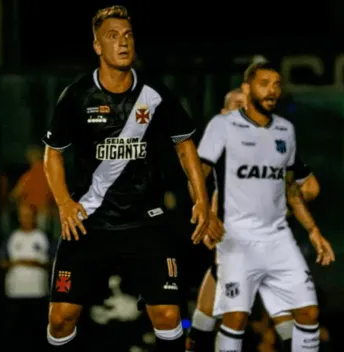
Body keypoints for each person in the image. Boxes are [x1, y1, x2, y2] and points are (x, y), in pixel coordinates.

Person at [41, 5, 223, 351]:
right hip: (90, 222)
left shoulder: (155, 94)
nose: (123, 43)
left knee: (169, 317)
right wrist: (64, 203)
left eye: (128, 35)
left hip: (146, 223)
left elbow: (185, 145)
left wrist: (201, 199)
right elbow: (53, 152)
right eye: (112, 36)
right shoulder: (77, 96)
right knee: (61, 317)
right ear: (97, 46)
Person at [195, 61, 335, 352]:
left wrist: (281, 207)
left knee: (296, 315)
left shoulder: (277, 136)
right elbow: (202, 183)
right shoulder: (218, 139)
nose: (239, 108)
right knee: (221, 315)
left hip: (272, 238)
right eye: (234, 104)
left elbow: (307, 187)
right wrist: (206, 214)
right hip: (230, 239)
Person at [0, 204, 51, 348]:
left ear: (35, 217)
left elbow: (53, 262)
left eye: (29, 215)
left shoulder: (43, 236)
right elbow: (3, 262)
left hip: (38, 291)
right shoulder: (12, 237)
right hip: (15, 291)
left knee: (38, 331)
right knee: (14, 331)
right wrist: (21, 262)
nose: (26, 219)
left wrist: (36, 264)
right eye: (23, 216)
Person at [10, 145, 54, 231]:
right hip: (46, 216)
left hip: (35, 217)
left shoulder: (29, 176)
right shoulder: (51, 174)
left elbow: (15, 195)